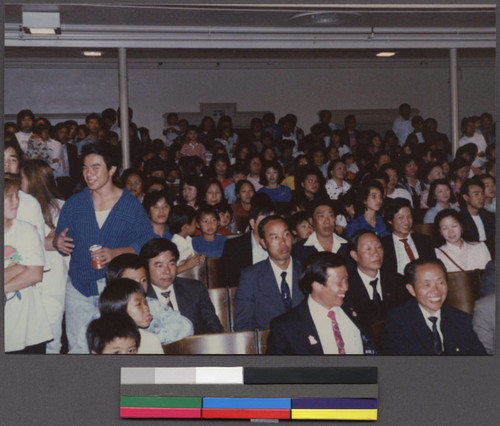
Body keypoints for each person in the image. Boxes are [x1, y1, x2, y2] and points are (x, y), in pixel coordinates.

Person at [54, 143, 155, 353]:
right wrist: (58, 242)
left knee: (115, 347)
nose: (89, 173)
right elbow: (59, 237)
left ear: (111, 169)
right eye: (85, 167)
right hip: (79, 287)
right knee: (79, 348)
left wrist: (115, 253)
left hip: (115, 290)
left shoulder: (130, 205)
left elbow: (147, 242)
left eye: (96, 167)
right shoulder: (74, 204)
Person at [266, 252, 378, 355]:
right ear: (317, 285)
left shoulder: (356, 309)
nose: (346, 287)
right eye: (339, 281)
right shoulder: (286, 327)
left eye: (346, 280)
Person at [381, 258, 486, 355]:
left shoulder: (460, 319)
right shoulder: (398, 322)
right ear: (411, 289)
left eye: (440, 283)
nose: (436, 291)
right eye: (427, 285)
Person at [20, 159, 68, 354]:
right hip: (26, 280)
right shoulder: (19, 207)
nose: (18, 183)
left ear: (33, 180)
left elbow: (64, 241)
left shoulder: (61, 207)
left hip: (52, 281)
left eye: (21, 178)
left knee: (52, 338)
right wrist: (45, 242)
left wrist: (50, 243)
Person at [4, 173, 53, 354]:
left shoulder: (25, 230)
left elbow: (34, 274)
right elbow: (26, 268)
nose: (15, 201)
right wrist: (19, 268)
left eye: (17, 195)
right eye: (9, 196)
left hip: (28, 329)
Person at [234, 215, 305, 331]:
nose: (283, 242)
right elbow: (244, 324)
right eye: (275, 237)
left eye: (286, 234)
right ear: (263, 243)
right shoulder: (251, 277)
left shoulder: (306, 270)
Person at [139, 238, 223, 334]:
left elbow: (214, 327)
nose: (167, 271)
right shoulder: (140, 296)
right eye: (159, 266)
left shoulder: (195, 289)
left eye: (171, 264)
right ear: (146, 268)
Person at [105, 253, 193, 344]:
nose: (140, 286)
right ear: (114, 284)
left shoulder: (151, 304)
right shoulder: (97, 308)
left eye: (143, 280)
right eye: (131, 281)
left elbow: (185, 326)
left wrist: (149, 339)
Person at [346, 230, 408, 325]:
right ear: (354, 255)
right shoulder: (346, 285)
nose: (376, 253)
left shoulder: (398, 281)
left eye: (379, 247)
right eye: (368, 249)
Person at [219, 194, 275, 286]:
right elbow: (227, 283)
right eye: (264, 221)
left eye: (272, 221)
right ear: (252, 223)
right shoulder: (233, 247)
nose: (269, 226)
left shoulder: (281, 243)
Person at [98, 278, 163, 354]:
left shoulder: (151, 340)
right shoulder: (106, 344)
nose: (146, 307)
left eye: (145, 301)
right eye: (138, 304)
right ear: (119, 311)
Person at [381, 198, 435, 280]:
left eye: (409, 216)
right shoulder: (383, 245)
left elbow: (433, 267)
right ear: (390, 220)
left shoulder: (424, 241)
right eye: (400, 217)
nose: (406, 222)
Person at [4, 139, 46, 243]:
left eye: (12, 159)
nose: (6, 164)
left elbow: (38, 244)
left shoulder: (29, 203)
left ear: (18, 167)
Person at [291, 196, 350, 265]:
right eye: (321, 216)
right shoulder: (298, 250)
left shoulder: (347, 246)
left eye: (331, 215)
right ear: (311, 221)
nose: (327, 221)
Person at [458, 176, 495, 256]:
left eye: (482, 193)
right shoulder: (459, 219)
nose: (481, 197)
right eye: (476, 194)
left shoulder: (490, 217)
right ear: (466, 197)